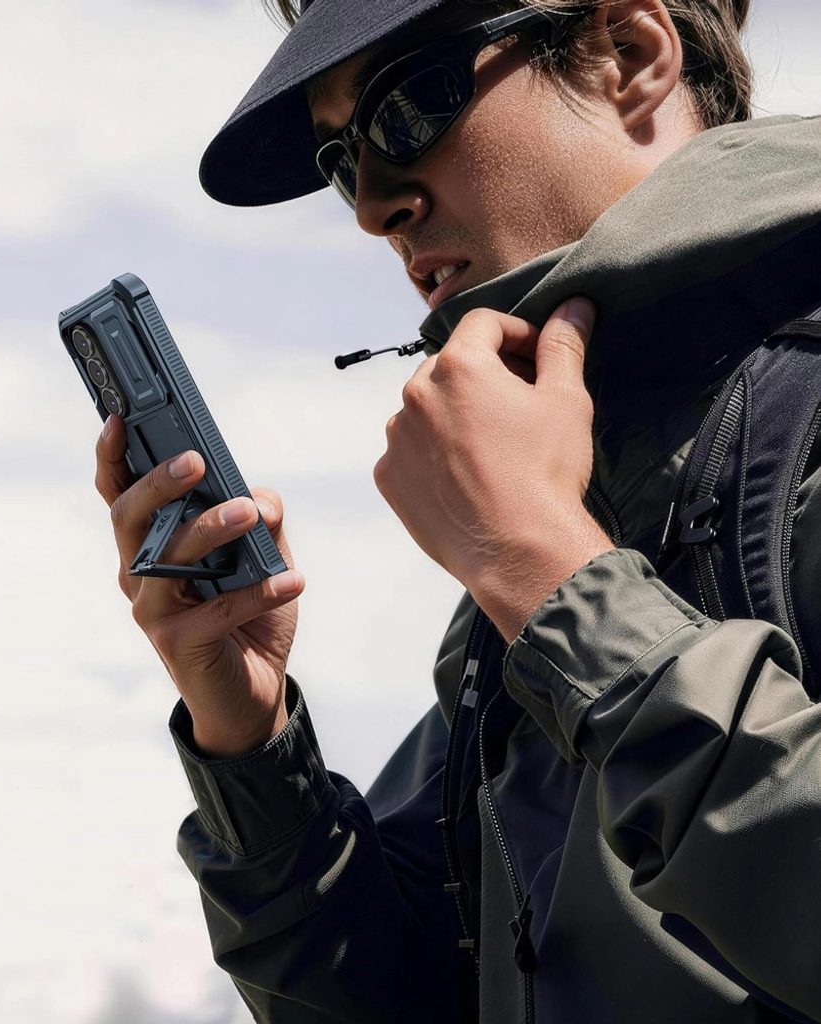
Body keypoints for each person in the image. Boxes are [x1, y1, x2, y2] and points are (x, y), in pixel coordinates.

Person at [93, 0, 821, 1020]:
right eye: (342, 161)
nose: (370, 206)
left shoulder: (554, 537)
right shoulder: (565, 507)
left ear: (629, 55)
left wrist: (557, 581)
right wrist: (249, 744)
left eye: (408, 107)